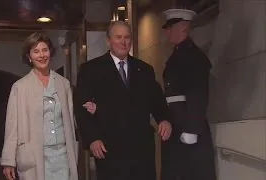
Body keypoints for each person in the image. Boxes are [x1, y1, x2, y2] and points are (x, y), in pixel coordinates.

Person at [74, 21, 172, 180]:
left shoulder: (145, 69)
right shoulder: (91, 69)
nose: (123, 41)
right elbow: (81, 109)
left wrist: (164, 119)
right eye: (118, 37)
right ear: (108, 41)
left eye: (127, 37)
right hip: (109, 148)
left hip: (142, 150)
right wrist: (92, 138)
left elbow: (157, 101)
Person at [0, 32, 78, 180]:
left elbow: (70, 121)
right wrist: (8, 161)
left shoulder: (63, 84)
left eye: (45, 50)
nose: (41, 55)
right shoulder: (20, 87)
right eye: (36, 51)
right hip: (35, 156)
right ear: (29, 57)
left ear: (50, 52)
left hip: (63, 156)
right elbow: (12, 126)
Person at [160, 9, 216, 180]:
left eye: (171, 27)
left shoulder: (193, 56)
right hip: (177, 124)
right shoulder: (179, 54)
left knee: (191, 173)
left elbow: (198, 93)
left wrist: (192, 129)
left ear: (183, 27)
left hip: (187, 125)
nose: (166, 32)